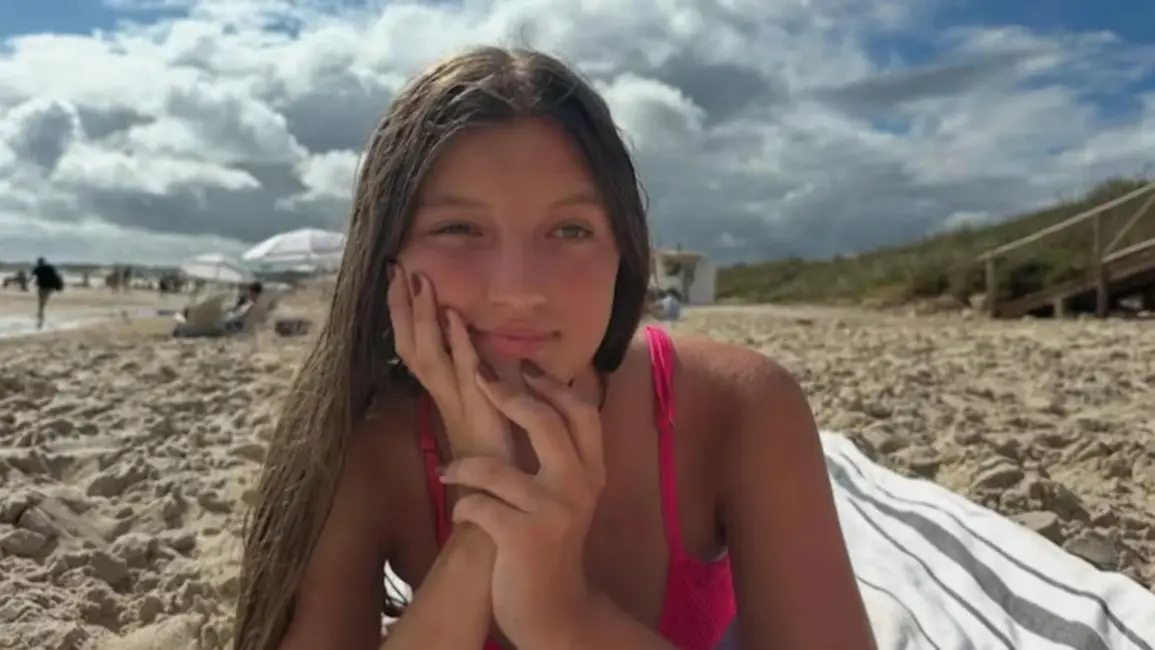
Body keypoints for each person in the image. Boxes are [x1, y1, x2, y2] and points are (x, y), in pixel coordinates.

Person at [234, 47, 875, 650]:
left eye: (569, 230)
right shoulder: (365, 443)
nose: (518, 291)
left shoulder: (736, 409)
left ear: (624, 251)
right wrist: (482, 528)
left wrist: (562, 613)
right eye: (457, 228)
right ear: (387, 257)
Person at [30, 257, 63, 329]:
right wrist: (59, 286)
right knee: (44, 300)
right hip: (48, 287)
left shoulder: (38, 268)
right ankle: (41, 312)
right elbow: (56, 276)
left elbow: (32, 276)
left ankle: (40, 313)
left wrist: (29, 282)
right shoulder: (49, 268)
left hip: (42, 287)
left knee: (41, 300)